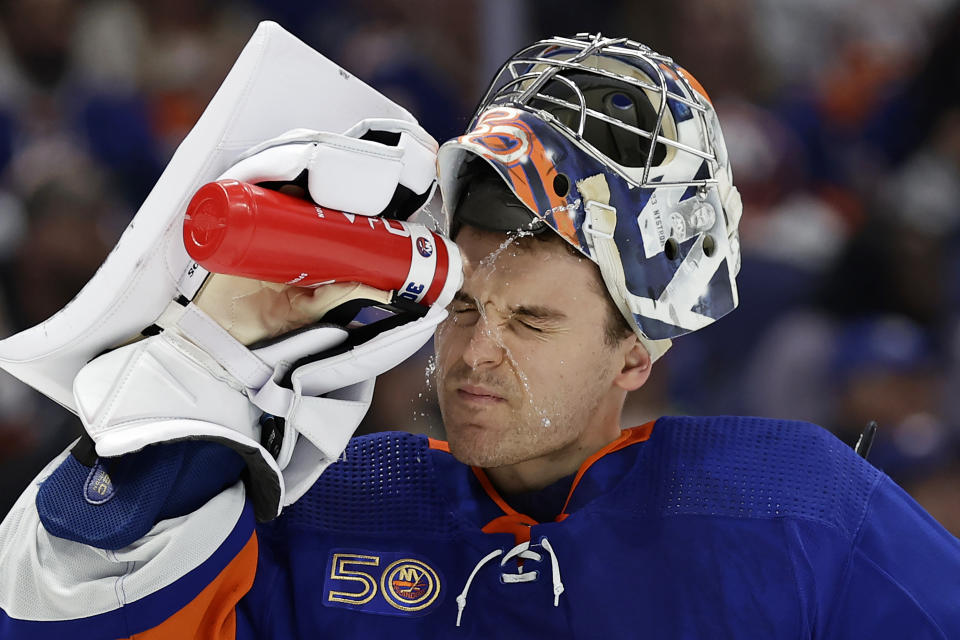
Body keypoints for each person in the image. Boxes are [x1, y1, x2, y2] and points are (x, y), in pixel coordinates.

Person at [1, 32, 959, 639]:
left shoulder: (802, 518)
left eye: (532, 319)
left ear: (640, 349)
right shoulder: (326, 510)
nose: (474, 353)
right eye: (462, 307)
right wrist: (201, 366)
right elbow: (59, 616)